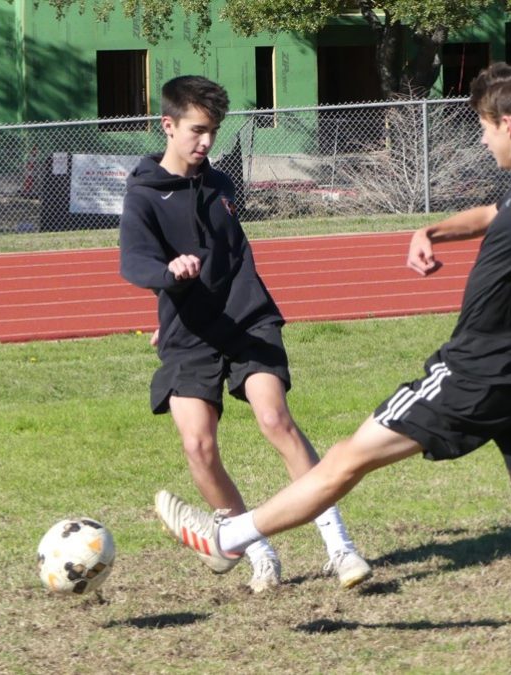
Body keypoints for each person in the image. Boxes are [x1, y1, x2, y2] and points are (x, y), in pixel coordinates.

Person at [152, 64, 511, 647]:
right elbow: (500, 216)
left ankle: (228, 538)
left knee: (345, 460)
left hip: (474, 370)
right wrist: (435, 231)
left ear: (510, 126)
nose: (484, 140)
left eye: (485, 129)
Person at [120, 75, 371, 593]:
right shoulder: (143, 195)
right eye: (196, 130)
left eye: (212, 131)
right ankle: (253, 548)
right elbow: (135, 261)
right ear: (167, 126)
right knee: (198, 447)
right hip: (188, 332)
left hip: (246, 317)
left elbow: (228, 262)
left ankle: (339, 546)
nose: (206, 142)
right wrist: (169, 277)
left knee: (275, 419)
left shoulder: (220, 184)